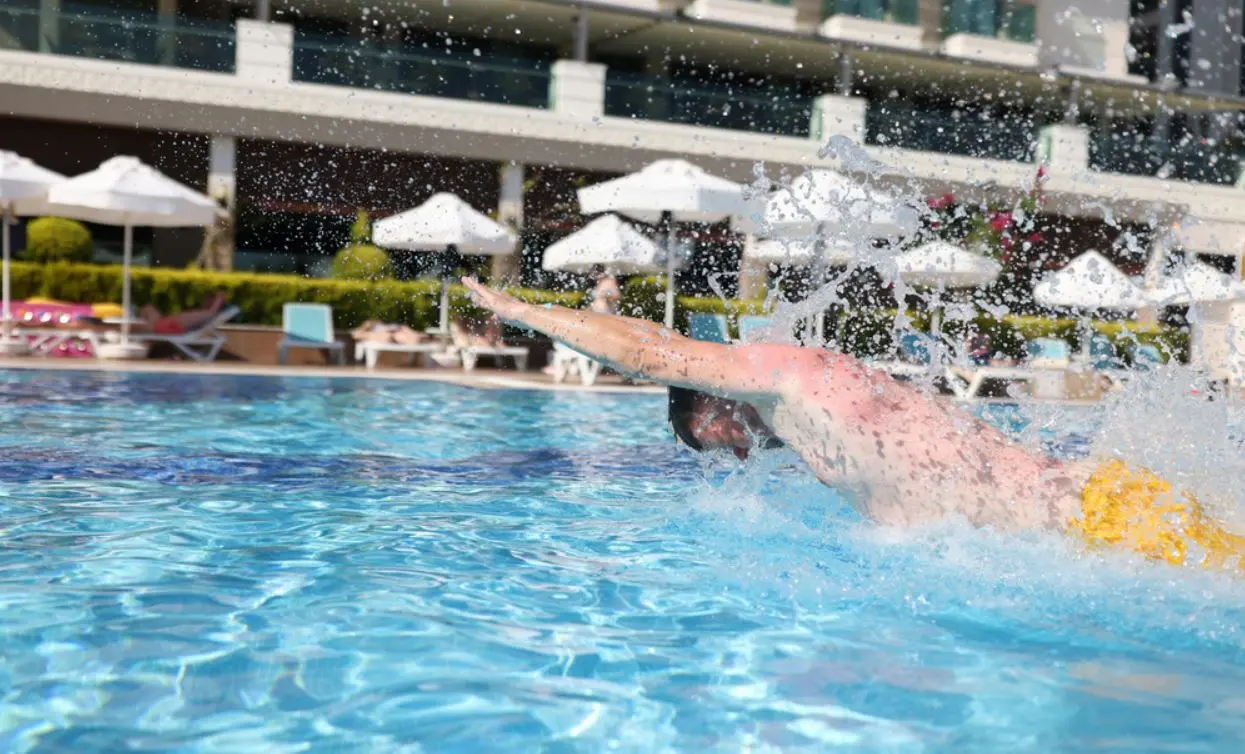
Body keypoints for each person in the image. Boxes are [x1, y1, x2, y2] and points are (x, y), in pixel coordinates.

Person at [461, 276, 1245, 574]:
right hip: (1107, 503)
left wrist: (526, 313)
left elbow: (647, 349)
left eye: (719, 442)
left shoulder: (774, 378)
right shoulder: (825, 393)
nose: (742, 457)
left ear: (714, 402)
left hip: (1101, 528)